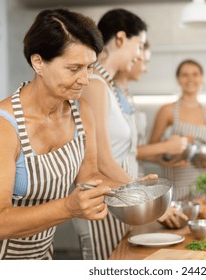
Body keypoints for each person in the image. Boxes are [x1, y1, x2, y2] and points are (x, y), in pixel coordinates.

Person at [0, 8, 119, 260]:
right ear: (38, 62)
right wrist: (69, 207)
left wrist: (138, 190)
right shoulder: (3, 125)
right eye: (74, 68)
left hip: (38, 251)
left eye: (90, 67)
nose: (85, 79)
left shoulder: (81, 112)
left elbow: (89, 176)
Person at [77, 8, 159, 260]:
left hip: (117, 197)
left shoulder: (107, 85)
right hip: (102, 201)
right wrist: (145, 197)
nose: (138, 56)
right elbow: (102, 160)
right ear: (121, 39)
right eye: (139, 45)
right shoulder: (94, 84)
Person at [114, 42, 188, 229]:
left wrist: (162, 160)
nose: (146, 69)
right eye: (142, 61)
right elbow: (118, 151)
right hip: (117, 187)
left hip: (132, 186)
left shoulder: (127, 95)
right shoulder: (107, 93)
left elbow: (132, 149)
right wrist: (165, 147)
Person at [149, 59, 206, 201]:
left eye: (195, 74)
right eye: (185, 75)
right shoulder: (167, 111)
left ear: (202, 78)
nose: (190, 79)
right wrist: (168, 157)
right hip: (174, 190)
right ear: (178, 79)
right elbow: (151, 150)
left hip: (202, 191)